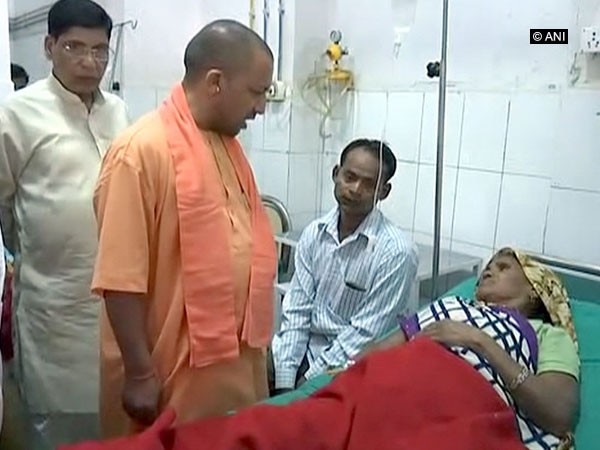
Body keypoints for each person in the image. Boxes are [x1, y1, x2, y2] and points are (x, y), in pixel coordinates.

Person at [58, 247, 579, 450]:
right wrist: (342, 386)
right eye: (488, 263)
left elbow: (557, 413)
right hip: (389, 383)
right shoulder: (436, 311)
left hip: (459, 401)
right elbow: (378, 352)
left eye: (505, 267)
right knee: (274, 431)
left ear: (536, 290)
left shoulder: (548, 337)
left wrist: (477, 340)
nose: (488, 269)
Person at [91, 19, 277, 438]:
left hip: (233, 373)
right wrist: (139, 373)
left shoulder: (227, 147)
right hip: (167, 377)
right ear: (215, 82)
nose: (261, 108)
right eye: (257, 92)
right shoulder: (139, 153)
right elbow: (120, 279)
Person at [0, 0, 129, 448]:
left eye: (100, 51)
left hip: (117, 305)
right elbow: (4, 206)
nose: (89, 62)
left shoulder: (119, 112)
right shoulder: (15, 115)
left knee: (113, 423)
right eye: (75, 47)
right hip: (52, 305)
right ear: (49, 46)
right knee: (56, 427)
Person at [270, 139, 419, 394]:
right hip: (305, 353)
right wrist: (285, 380)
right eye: (350, 177)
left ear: (383, 191)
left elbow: (363, 335)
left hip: (355, 365)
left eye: (369, 183)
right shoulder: (314, 234)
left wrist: (307, 386)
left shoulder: (396, 253)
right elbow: (296, 310)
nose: (355, 189)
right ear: (335, 174)